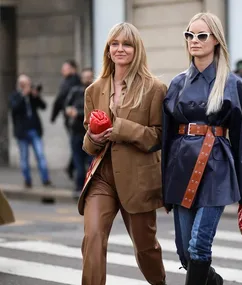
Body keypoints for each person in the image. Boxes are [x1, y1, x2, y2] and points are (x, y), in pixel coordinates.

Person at [162, 12, 242, 285]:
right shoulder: (177, 83)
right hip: (181, 166)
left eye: (202, 35)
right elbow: (167, 136)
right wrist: (163, 185)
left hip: (216, 165)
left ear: (216, 40)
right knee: (185, 254)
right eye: (189, 35)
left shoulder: (232, 83)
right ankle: (214, 283)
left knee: (198, 246)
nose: (194, 41)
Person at [78, 22, 167, 285]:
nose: (120, 49)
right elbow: (88, 141)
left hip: (138, 179)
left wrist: (121, 128)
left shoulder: (155, 89)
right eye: (114, 44)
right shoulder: (94, 90)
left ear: (136, 49)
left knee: (145, 247)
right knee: (92, 237)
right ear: (107, 50)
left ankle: (159, 282)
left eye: (126, 44)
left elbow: (158, 137)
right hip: (103, 177)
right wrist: (92, 137)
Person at [9, 74, 52, 188]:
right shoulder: (15, 95)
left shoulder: (32, 96)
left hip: (34, 130)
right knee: (24, 158)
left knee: (40, 155)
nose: (28, 86)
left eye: (28, 83)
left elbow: (43, 106)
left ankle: (45, 180)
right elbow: (14, 109)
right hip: (22, 132)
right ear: (20, 84)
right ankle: (27, 180)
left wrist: (36, 96)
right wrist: (23, 95)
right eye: (25, 84)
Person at [64, 68, 94, 199]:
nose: (87, 79)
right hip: (76, 133)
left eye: (89, 77)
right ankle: (78, 188)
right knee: (78, 162)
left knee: (90, 163)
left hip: (91, 134)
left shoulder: (95, 92)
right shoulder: (75, 91)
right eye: (85, 77)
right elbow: (67, 105)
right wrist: (69, 110)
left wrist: (78, 114)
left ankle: (88, 188)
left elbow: (95, 112)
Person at [51, 59, 81, 179]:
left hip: (72, 117)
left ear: (73, 69)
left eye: (65, 69)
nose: (62, 71)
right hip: (73, 116)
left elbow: (60, 99)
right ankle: (72, 167)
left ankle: (71, 167)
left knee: (76, 143)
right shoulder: (73, 81)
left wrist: (53, 116)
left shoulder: (70, 82)